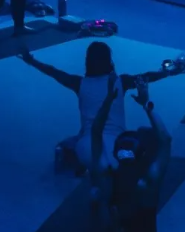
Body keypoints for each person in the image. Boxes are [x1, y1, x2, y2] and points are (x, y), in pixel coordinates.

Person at [20, 41, 171, 175]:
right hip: (119, 144)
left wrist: (31, 61)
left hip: (87, 144)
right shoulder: (121, 81)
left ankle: (77, 160)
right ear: (109, 61)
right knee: (141, 139)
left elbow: (53, 72)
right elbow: (146, 76)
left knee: (73, 143)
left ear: (87, 62)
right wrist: (167, 72)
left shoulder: (79, 83)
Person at [91, 74, 170, 231]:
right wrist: (146, 105)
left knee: (95, 195)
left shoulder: (108, 178)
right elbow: (165, 140)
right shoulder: (146, 183)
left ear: (115, 153)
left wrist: (109, 99)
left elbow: (95, 132)